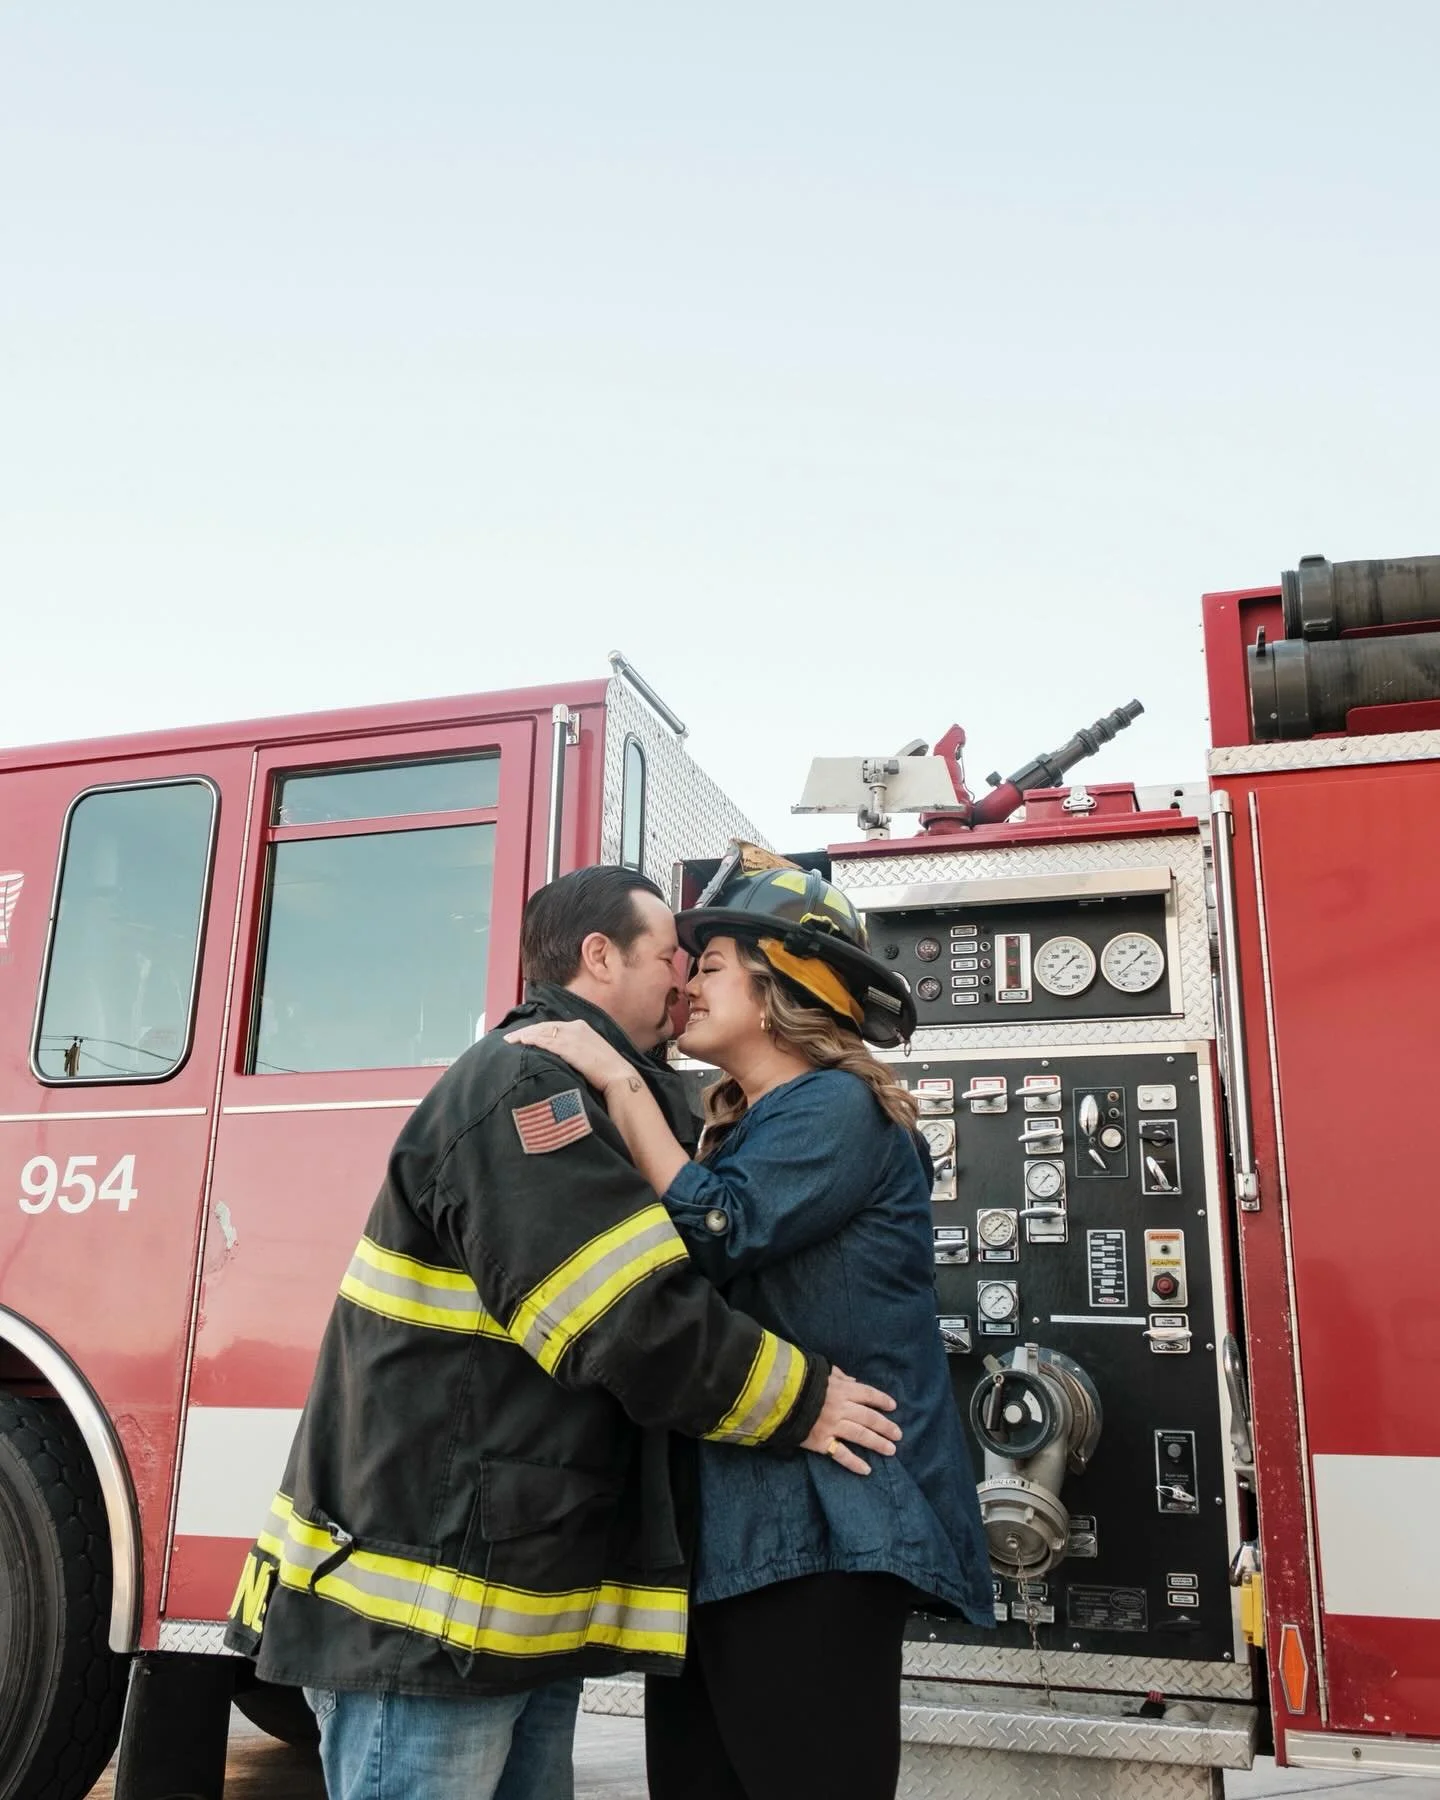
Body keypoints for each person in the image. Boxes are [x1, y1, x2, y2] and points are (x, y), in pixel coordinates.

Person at [223, 865, 902, 1800]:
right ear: (598, 955)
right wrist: (797, 1398)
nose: (684, 979)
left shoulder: (628, 1097)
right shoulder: (523, 1087)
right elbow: (621, 1318)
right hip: (429, 1616)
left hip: (514, 1605)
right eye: (673, 955)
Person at [507, 851, 995, 1800]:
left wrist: (620, 1080)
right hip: (732, 1537)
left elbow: (711, 1228)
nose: (689, 982)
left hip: (824, 1532)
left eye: (715, 964)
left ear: (785, 990)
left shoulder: (836, 1110)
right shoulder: (747, 1120)